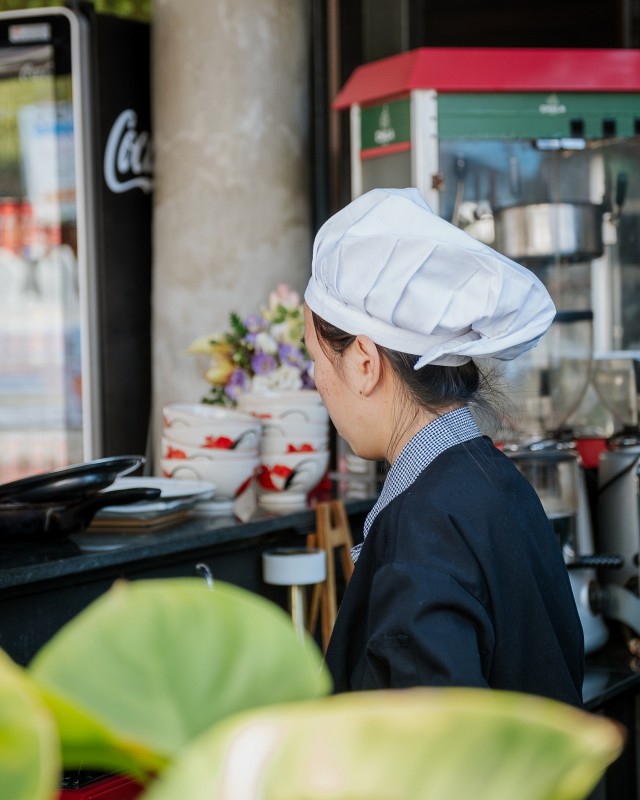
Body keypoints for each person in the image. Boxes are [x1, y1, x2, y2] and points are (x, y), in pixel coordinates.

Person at [303, 187, 584, 706]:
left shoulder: (420, 533)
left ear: (364, 363)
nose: (317, 381)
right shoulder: (497, 482)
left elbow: (430, 764)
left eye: (315, 359)